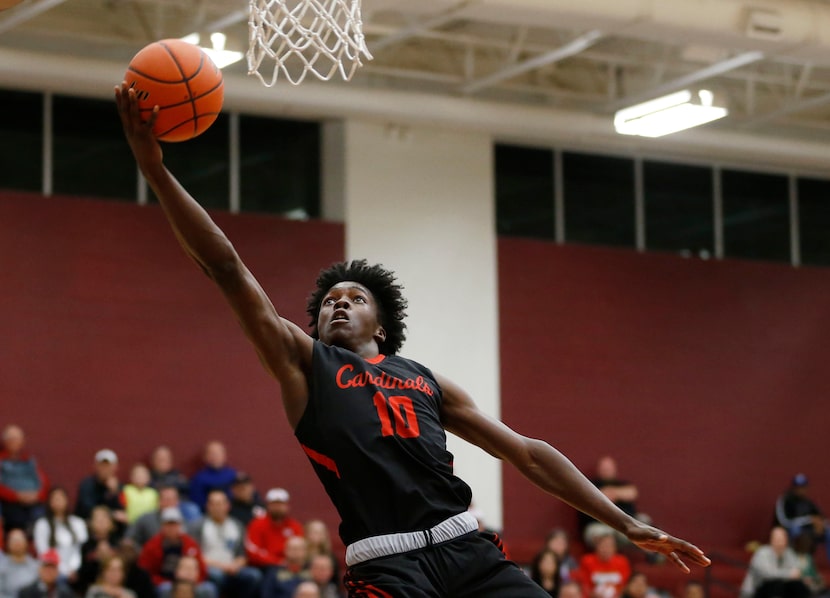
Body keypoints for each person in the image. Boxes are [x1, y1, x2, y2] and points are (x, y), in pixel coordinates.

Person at [114, 84, 711, 597]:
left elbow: (526, 452)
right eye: (328, 301)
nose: (338, 303)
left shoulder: (424, 380)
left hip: (469, 551)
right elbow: (227, 269)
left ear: (381, 322)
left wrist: (621, 522)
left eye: (354, 297)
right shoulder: (304, 364)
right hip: (387, 563)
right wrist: (155, 170)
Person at [187, 489, 261, 598]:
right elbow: (195, 555)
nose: (217, 508)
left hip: (232, 568)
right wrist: (223, 567)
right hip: (208, 567)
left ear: (227, 505)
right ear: (208, 506)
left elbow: (242, 554)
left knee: (254, 575)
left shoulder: (237, 525)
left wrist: (236, 565)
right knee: (217, 575)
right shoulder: (198, 526)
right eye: (214, 504)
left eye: (220, 503)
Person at [581, 456, 651, 550]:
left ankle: (653, 554)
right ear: (598, 469)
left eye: (609, 468)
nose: (606, 471)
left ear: (614, 469)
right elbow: (589, 496)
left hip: (625, 524)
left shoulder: (623, 483)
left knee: (644, 520)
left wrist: (612, 493)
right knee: (604, 533)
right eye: (604, 468)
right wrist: (618, 494)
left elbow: (632, 492)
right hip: (600, 525)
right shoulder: (591, 484)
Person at [137, 507, 208, 592]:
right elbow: (145, 572)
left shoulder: (190, 543)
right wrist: (160, 581)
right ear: (162, 526)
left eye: (174, 524)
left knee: (208, 589)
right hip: (163, 582)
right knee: (166, 589)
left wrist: (194, 581)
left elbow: (202, 569)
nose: (171, 528)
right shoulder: (152, 545)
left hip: (190, 582)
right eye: (168, 524)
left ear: (180, 525)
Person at [32, 486, 88, 584]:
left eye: (60, 498)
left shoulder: (78, 523)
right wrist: (64, 570)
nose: (58, 502)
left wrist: (73, 568)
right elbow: (44, 552)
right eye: (54, 499)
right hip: (52, 570)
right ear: (49, 502)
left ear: (67, 500)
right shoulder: (42, 524)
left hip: (76, 570)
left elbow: (79, 549)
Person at [0, 424, 49, 534]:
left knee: (41, 517)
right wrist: (16, 496)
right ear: (5, 441)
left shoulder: (29, 460)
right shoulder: (1, 460)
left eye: (18, 439)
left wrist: (38, 495)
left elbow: (44, 481)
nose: (15, 442)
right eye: (11, 439)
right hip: (10, 504)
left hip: (34, 502)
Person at [740, 526, 810, 598]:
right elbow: (767, 574)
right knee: (776, 584)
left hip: (779, 589)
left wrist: (799, 577)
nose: (781, 543)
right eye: (778, 539)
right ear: (771, 540)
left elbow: (796, 571)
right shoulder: (762, 552)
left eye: (783, 539)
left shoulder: (788, 553)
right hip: (755, 592)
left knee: (798, 586)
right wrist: (789, 574)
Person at [244, 488, 304, 570]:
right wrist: (277, 561)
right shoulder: (257, 524)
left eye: (280, 504)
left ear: (287, 506)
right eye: (274, 504)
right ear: (268, 506)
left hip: (290, 566)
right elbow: (252, 551)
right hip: (264, 567)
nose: (277, 508)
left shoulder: (294, 526)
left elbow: (301, 548)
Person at [775, 474, 830, 562]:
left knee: (828, 530)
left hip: (808, 530)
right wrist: (809, 520)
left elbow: (820, 517)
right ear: (793, 487)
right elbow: (785, 522)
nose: (801, 490)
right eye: (798, 487)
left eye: (803, 487)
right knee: (796, 529)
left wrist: (821, 524)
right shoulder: (785, 500)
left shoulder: (808, 502)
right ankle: (795, 560)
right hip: (786, 530)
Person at [76, 449, 127, 533]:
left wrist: (114, 493)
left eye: (108, 465)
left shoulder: (120, 487)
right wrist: (111, 514)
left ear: (115, 467)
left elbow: (122, 510)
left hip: (113, 530)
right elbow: (87, 508)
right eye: (102, 465)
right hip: (88, 526)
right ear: (95, 466)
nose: (105, 469)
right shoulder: (87, 484)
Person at [147, 447, 198, 522]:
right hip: (158, 505)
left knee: (191, 508)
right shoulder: (149, 477)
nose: (163, 462)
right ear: (153, 461)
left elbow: (187, 489)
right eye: (160, 459)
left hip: (179, 504)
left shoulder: (177, 474)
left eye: (166, 459)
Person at [79, 506, 121, 593]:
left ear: (111, 523)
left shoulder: (118, 544)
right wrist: (97, 558)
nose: (101, 521)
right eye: (97, 519)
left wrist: (109, 557)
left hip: (117, 588)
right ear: (91, 523)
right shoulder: (86, 546)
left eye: (104, 518)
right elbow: (82, 575)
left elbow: (124, 571)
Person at [577, 531, 632, 598]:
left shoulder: (622, 562)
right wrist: (593, 595)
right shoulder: (587, 561)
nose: (606, 549)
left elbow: (626, 585)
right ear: (597, 547)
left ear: (615, 548)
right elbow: (584, 585)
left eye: (609, 546)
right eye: (603, 546)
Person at [188, 442, 237, 514]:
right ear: (205, 457)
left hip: (233, 512)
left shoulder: (233, 474)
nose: (215, 456)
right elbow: (197, 501)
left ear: (224, 456)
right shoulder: (199, 478)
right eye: (212, 454)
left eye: (218, 453)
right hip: (208, 514)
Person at [0, 528, 40, 598]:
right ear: (8, 544)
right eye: (14, 541)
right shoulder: (2, 566)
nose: (17, 543)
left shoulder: (35, 566)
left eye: (20, 540)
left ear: (26, 543)